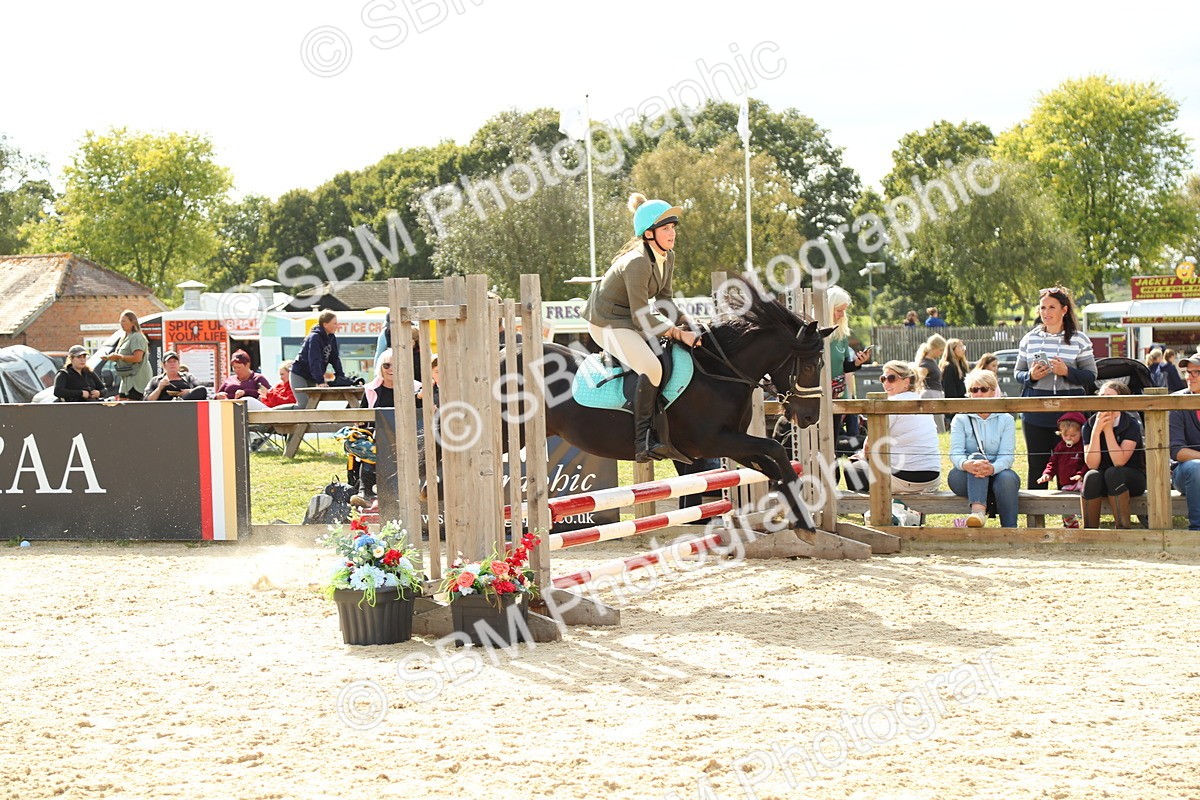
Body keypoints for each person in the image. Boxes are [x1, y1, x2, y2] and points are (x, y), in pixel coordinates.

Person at [582, 192, 699, 463]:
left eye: (672, 228)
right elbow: (641, 317)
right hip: (606, 322)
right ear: (649, 234)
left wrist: (688, 323)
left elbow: (664, 300)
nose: (672, 234)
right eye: (665, 229)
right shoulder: (636, 263)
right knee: (651, 367)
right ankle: (643, 442)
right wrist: (679, 333)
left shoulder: (667, 257)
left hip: (630, 318)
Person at [1014, 285, 1096, 489]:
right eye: (1042, 308)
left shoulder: (1079, 339)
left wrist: (1067, 371)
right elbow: (1018, 374)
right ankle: (1035, 518)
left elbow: (1091, 375)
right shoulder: (1029, 338)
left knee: (1071, 464)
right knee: (1037, 465)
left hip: (1070, 411)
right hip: (1036, 412)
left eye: (1051, 307)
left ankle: (1071, 517)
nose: (1046, 312)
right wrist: (1031, 376)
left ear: (1064, 310)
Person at [843, 360, 941, 494]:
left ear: (906, 382)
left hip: (904, 479)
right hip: (932, 478)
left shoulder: (892, 403)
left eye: (891, 378)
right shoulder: (920, 401)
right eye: (883, 378)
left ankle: (873, 512)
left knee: (852, 469)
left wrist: (862, 457)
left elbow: (869, 445)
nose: (886, 383)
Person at [948, 369, 1019, 528]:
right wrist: (968, 464)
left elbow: (1007, 457)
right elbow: (955, 453)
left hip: (998, 474)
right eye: (974, 390)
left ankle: (1010, 529)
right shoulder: (960, 419)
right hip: (963, 475)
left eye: (983, 389)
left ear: (993, 392)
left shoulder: (1006, 419)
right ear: (969, 393)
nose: (978, 393)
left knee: (1007, 479)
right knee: (976, 458)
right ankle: (978, 512)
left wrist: (992, 468)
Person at [1080, 381, 1145, 529]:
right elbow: (1092, 464)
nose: (1104, 400)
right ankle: (1089, 531)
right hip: (1103, 479)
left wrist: (1108, 430)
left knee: (1113, 472)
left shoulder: (1131, 424)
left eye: (1109, 396)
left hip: (1130, 479)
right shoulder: (1089, 425)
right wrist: (1096, 432)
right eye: (1102, 396)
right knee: (1091, 475)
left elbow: (1119, 461)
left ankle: (1122, 529)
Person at [827, 286, 872, 440]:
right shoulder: (813, 332)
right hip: (817, 395)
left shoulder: (841, 334)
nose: (842, 315)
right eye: (839, 310)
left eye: (844, 310)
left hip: (837, 395)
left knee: (832, 438)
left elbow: (845, 366)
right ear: (828, 307)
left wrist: (858, 363)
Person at [354, 349, 396, 502]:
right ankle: (364, 492)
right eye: (386, 365)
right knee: (367, 447)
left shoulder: (415, 388)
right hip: (376, 437)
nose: (391, 369)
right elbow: (362, 416)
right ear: (380, 368)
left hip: (404, 436)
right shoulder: (371, 390)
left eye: (395, 365)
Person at [1035, 411, 1086, 528]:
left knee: (1084, 502)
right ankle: (1070, 523)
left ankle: (1087, 521)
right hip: (1066, 484)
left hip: (1080, 483)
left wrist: (1081, 474)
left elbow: (1087, 463)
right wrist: (1048, 473)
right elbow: (1053, 462)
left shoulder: (1082, 446)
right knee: (1065, 506)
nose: (1069, 438)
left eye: (1073, 436)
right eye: (1065, 435)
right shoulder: (1060, 447)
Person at [290, 310, 346, 409]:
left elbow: (335, 358)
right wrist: (320, 381)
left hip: (311, 376)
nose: (337, 326)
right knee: (303, 405)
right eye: (334, 323)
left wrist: (341, 376)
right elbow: (314, 360)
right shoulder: (315, 337)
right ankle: (273, 414)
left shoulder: (331, 338)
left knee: (312, 406)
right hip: (299, 373)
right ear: (325, 324)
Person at [1169, 351, 1200, 530]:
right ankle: (1197, 529)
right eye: (1188, 372)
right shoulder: (1177, 401)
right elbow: (1177, 451)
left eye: (1196, 372)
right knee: (1196, 467)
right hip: (1185, 473)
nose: (1190, 376)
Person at [101, 309, 152, 400]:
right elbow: (120, 356)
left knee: (132, 408)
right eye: (120, 321)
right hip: (126, 380)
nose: (121, 323)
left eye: (124, 321)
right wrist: (110, 357)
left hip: (137, 380)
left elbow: (137, 358)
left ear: (132, 322)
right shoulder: (123, 337)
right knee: (122, 405)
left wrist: (120, 357)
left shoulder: (137, 337)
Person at [144, 351, 208, 401]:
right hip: (165, 409)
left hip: (186, 407)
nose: (172, 364)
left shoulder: (188, 377)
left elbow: (201, 390)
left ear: (179, 364)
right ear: (163, 365)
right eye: (169, 362)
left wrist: (189, 391)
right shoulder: (155, 380)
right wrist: (159, 388)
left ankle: (180, 402)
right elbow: (147, 400)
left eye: (175, 361)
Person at [916, 334, 947, 433]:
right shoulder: (925, 364)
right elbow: (918, 381)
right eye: (941, 350)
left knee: (939, 422)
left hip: (936, 394)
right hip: (930, 394)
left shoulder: (931, 361)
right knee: (937, 425)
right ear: (934, 348)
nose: (941, 353)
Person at [940, 338, 970, 426]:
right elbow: (949, 390)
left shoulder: (962, 365)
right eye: (960, 347)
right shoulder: (948, 367)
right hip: (955, 406)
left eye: (963, 346)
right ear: (952, 350)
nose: (963, 349)